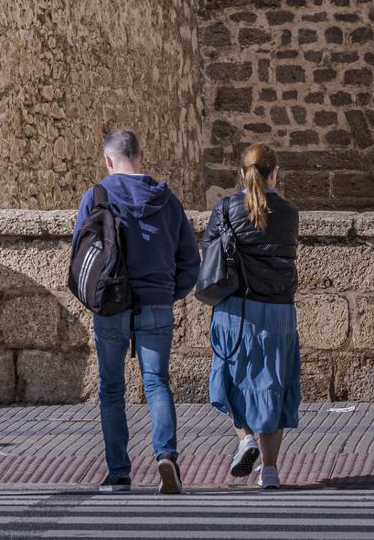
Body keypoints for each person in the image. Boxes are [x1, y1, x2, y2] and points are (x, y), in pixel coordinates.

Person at [73, 128, 199, 493]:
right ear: (142, 157)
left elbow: (80, 254)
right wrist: (169, 292)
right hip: (157, 300)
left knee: (111, 387)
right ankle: (166, 455)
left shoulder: (96, 196)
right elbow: (190, 260)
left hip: (111, 302)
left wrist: (94, 298)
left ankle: (119, 472)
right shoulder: (168, 201)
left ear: (108, 160)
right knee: (157, 382)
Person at [205, 142, 300, 490]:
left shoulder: (226, 208)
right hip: (278, 311)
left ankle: (245, 438)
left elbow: (209, 251)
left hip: (236, 309)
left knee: (231, 378)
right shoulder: (289, 213)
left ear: (241, 174)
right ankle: (270, 471)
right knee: (275, 385)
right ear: (275, 173)